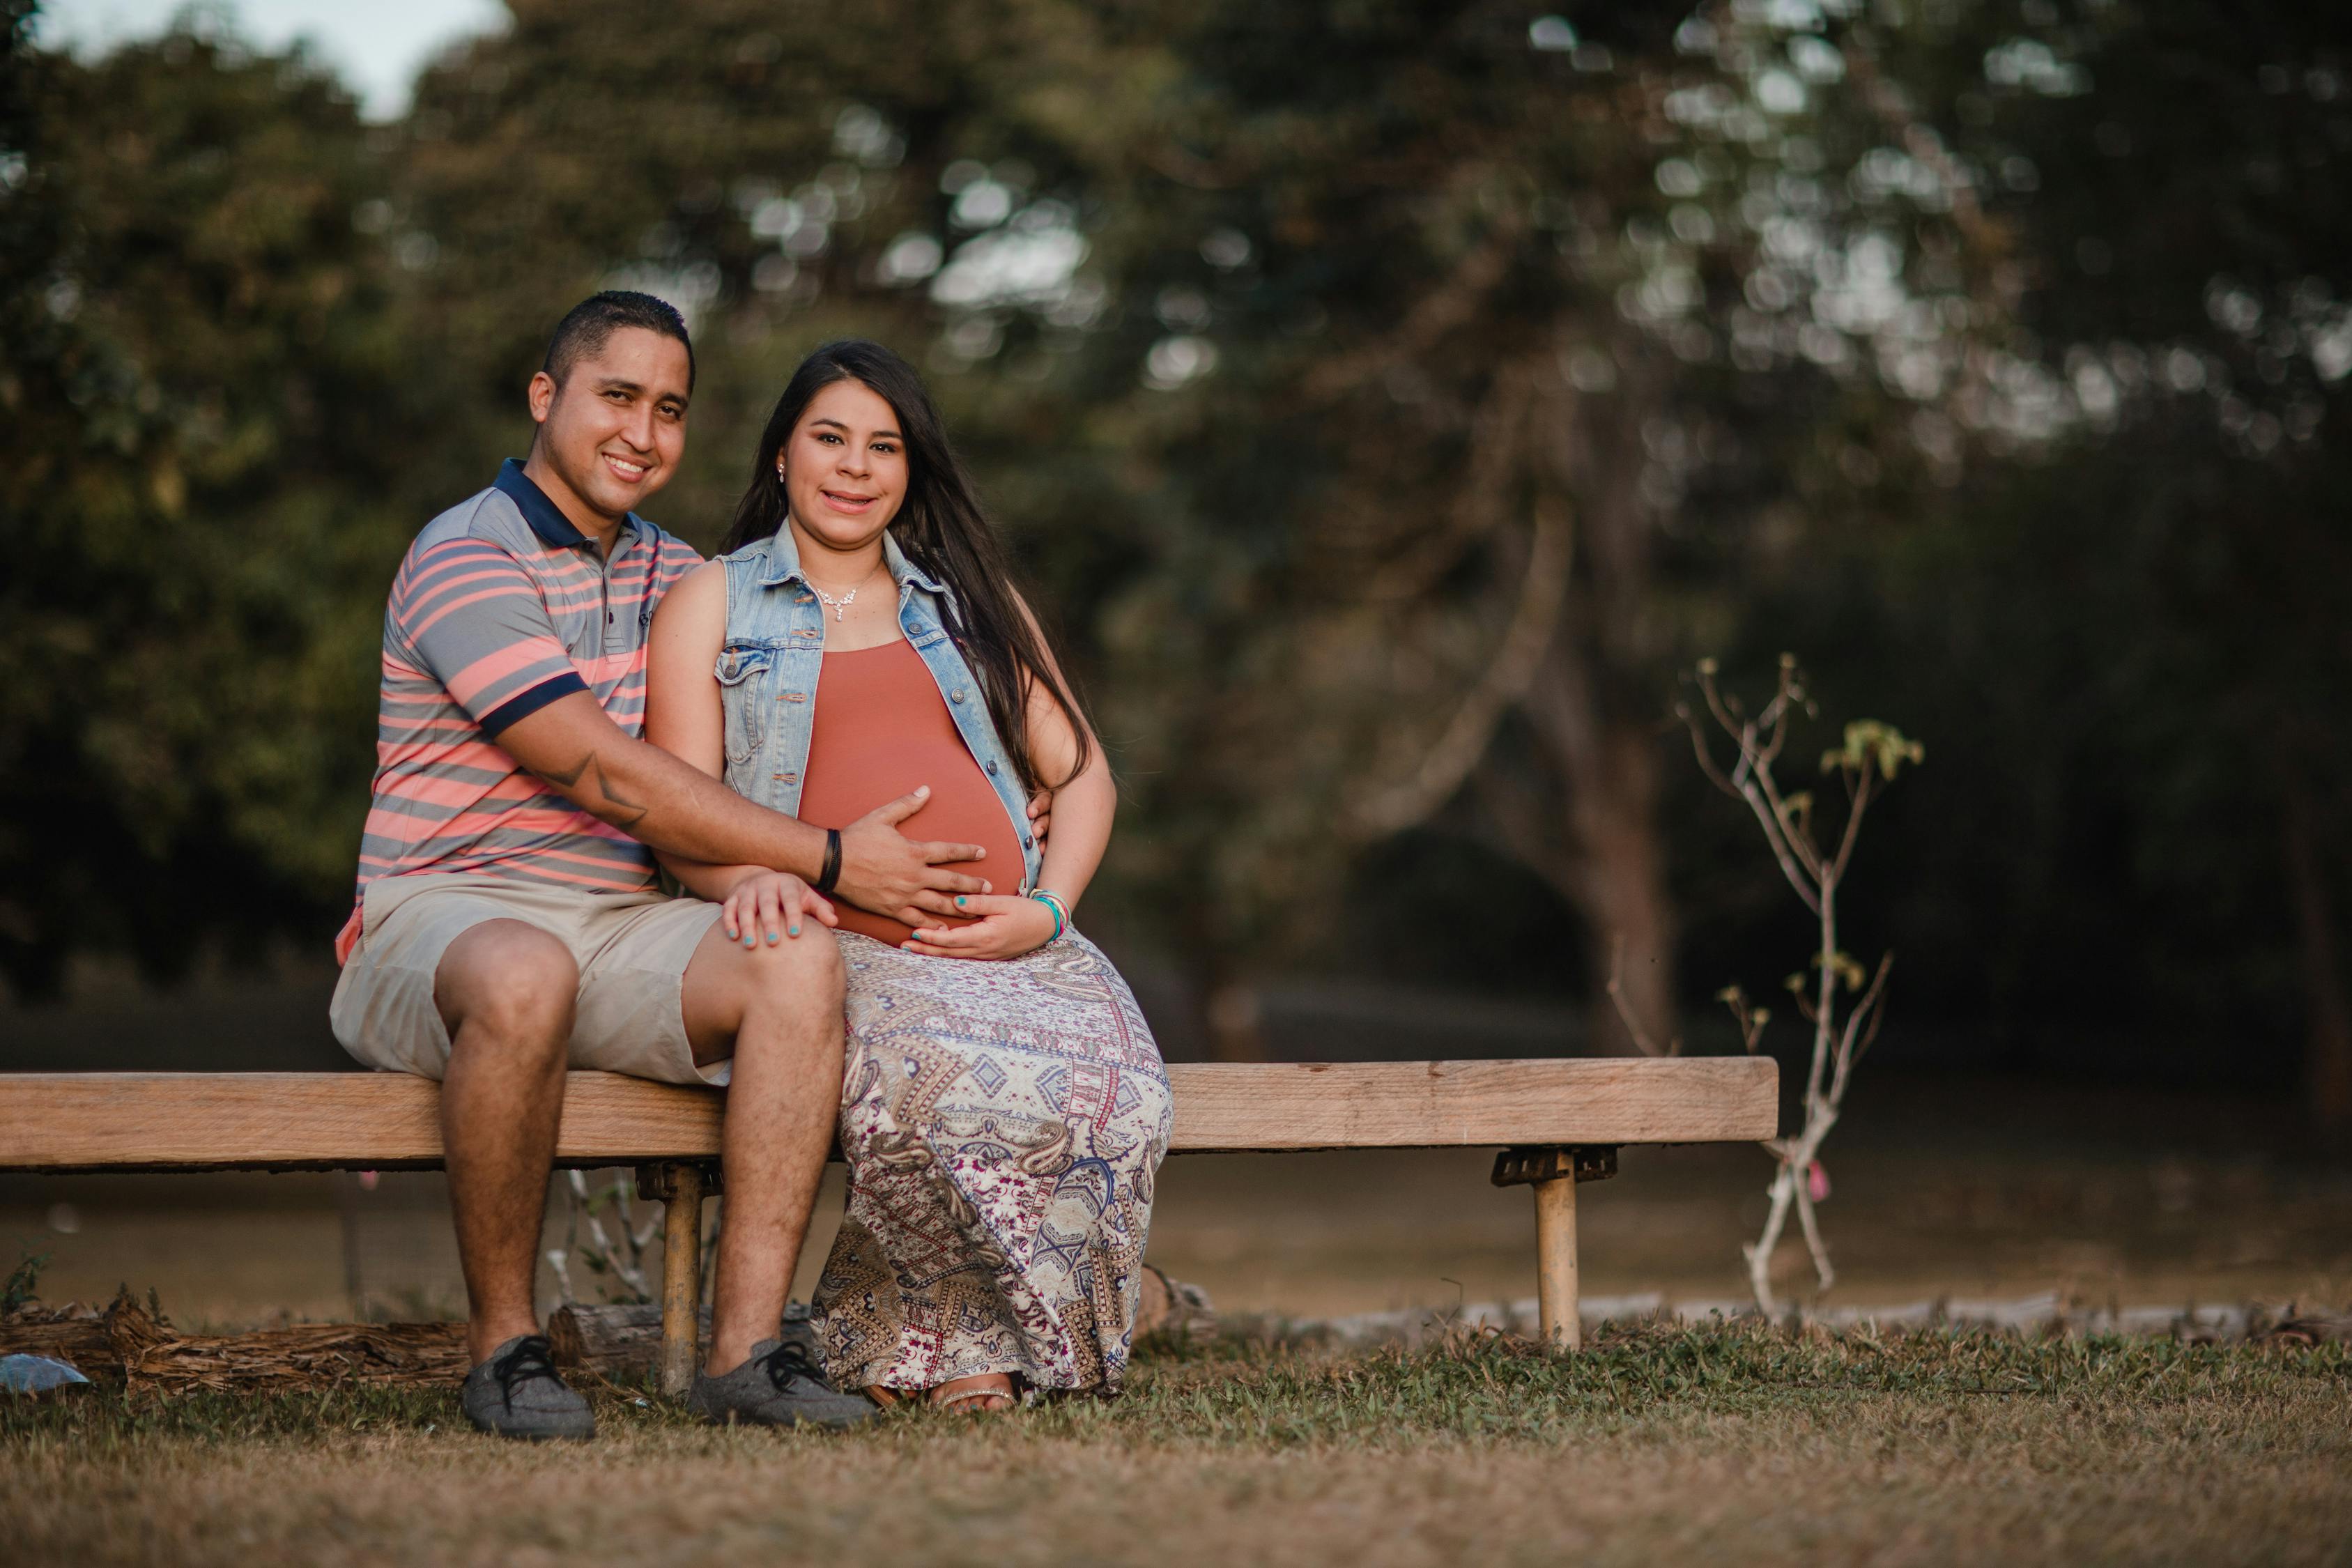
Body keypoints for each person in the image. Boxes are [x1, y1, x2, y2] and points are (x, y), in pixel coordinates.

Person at [330, 293, 1029, 1439]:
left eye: (670, 410)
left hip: (617, 921)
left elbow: (777, 724)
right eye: (618, 397)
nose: (643, 433)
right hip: (442, 913)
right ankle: (505, 1350)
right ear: (546, 398)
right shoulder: (464, 553)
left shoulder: (678, 574)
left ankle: (748, 1352)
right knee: (522, 973)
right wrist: (834, 856)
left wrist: (993, 773)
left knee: (796, 952)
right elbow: (602, 770)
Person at [645, 339, 1171, 1414]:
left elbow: (1084, 775)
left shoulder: (969, 599)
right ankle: (963, 1357)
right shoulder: (713, 601)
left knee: (1127, 1099)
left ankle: (916, 1351)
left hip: (1018, 938)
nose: (854, 466)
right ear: (783, 452)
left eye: (884, 446)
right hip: (845, 941)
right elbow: (675, 809)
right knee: (930, 1093)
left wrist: (1047, 909)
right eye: (830, 437)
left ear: (913, 470)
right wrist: (747, 876)